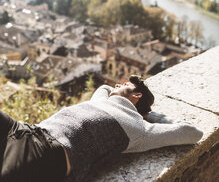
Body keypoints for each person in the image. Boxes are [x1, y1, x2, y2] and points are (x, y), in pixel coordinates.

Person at [0, 75, 203, 182]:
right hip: (25, 130)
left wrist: (148, 115)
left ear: (137, 96)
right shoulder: (101, 101)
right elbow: (103, 88)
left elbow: (193, 133)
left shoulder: (139, 129)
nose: (117, 84)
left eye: (124, 84)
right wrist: (125, 92)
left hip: (48, 152)